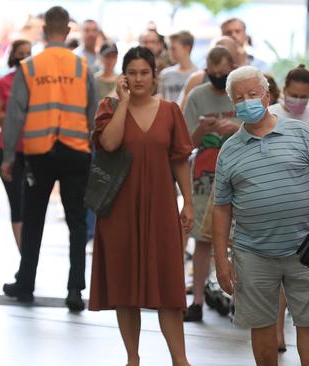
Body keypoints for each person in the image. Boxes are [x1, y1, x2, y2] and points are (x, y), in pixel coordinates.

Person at [213, 65, 309, 366]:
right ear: (233, 105)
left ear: (267, 96)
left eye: (253, 94)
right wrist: (221, 261)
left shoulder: (300, 133)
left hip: (304, 248)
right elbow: (221, 208)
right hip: (252, 253)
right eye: (239, 97)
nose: (247, 102)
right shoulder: (228, 151)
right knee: (262, 325)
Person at [89, 46, 193, 366]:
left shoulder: (171, 111)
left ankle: (180, 359)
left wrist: (188, 202)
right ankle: (132, 358)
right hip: (120, 209)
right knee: (125, 285)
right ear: (123, 76)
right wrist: (121, 104)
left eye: (143, 72)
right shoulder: (109, 107)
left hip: (161, 206)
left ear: (154, 75)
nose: (137, 78)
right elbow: (109, 143)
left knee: (169, 286)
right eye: (131, 72)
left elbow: (179, 161)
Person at [0, 6, 97, 311]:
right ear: (68, 31)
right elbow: (92, 113)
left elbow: (15, 115)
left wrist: (8, 156)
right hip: (75, 151)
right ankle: (74, 291)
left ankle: (25, 283)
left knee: (33, 219)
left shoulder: (29, 67)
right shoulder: (82, 68)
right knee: (77, 222)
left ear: (43, 32)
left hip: (39, 152)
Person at [182, 46, 240, 322]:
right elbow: (185, 144)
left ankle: (240, 299)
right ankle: (197, 299)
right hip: (205, 177)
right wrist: (202, 130)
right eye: (213, 73)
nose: (218, 78)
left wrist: (235, 126)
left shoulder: (242, 95)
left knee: (240, 241)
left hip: (239, 176)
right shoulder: (197, 96)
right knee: (202, 240)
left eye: (223, 73)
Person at [0, 39, 32, 251]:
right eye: (21, 53)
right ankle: (24, 254)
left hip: (34, 151)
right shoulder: (4, 83)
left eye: (29, 53)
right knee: (16, 202)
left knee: (30, 205)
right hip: (9, 151)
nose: (25, 57)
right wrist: (15, 114)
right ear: (13, 55)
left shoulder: (37, 83)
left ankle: (28, 257)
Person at [268, 65, 309, 161]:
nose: (298, 100)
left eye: (303, 97)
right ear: (284, 90)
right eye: (294, 95)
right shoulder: (269, 114)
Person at [178, 36, 243, 111]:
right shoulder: (196, 82)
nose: (217, 76)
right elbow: (183, 113)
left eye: (221, 73)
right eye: (214, 73)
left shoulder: (244, 85)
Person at [158, 31, 197, 103]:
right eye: (169, 48)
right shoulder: (165, 74)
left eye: (173, 48)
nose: (169, 52)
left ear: (186, 48)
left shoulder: (199, 74)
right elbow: (161, 99)